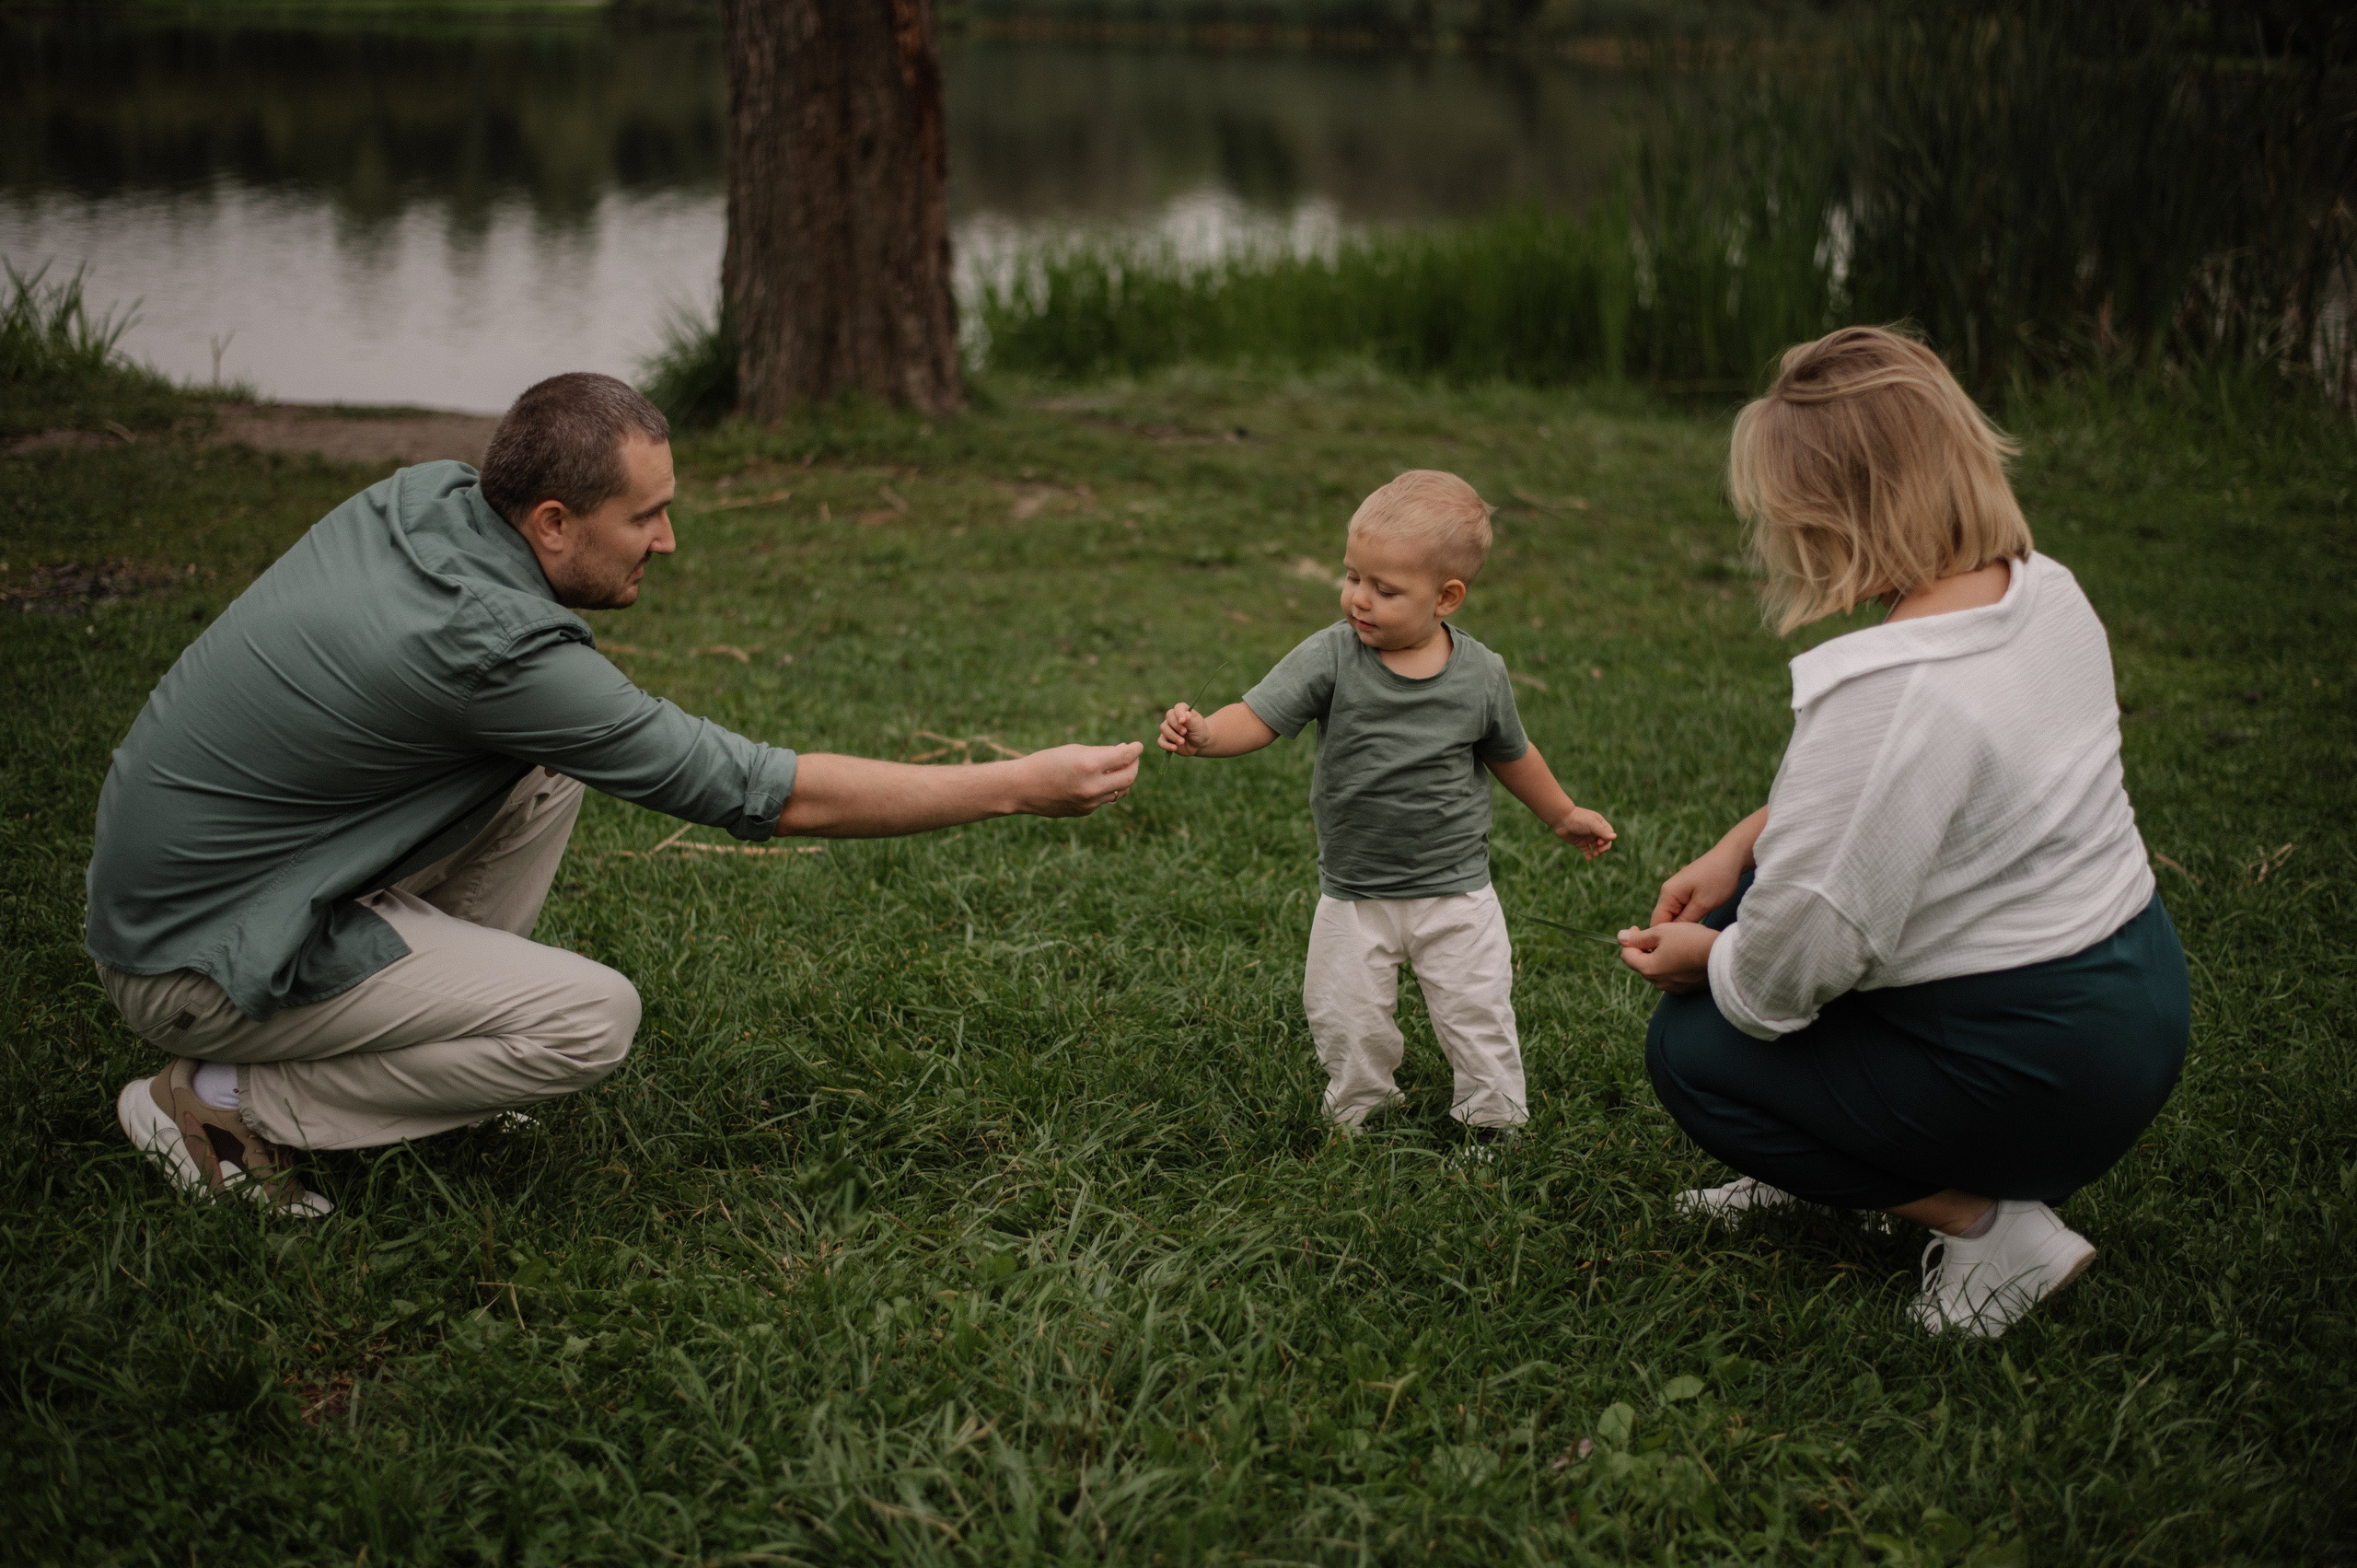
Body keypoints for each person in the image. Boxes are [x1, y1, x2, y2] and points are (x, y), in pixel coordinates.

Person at [92, 372, 1142, 1216]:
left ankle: (436, 1065)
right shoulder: (497, 649)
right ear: (551, 521)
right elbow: (764, 793)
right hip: (193, 957)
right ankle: (212, 1102)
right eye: (647, 515)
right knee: (589, 1021)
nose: (669, 541)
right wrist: (1014, 785)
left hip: (211, 880)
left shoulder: (425, 500)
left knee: (547, 765)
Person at [1616, 327, 2189, 1338]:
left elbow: (1781, 978)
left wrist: (1710, 960)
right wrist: (1737, 848)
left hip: (2046, 1062)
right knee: (1757, 894)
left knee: (1698, 1049)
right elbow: (1913, 803)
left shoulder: (1892, 695)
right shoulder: (2039, 587)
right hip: (2134, 994)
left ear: (1834, 516)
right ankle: (1836, 1158)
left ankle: (1990, 1229)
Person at [1159, 470, 1616, 1145]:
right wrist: (1205, 735)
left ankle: (1493, 1120)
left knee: (1476, 1010)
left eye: (1384, 588)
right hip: (1354, 890)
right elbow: (1258, 716)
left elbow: (1512, 753)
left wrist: (1561, 813)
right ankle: (1361, 1106)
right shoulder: (1333, 656)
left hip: (1455, 891)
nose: (1358, 600)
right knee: (1345, 1016)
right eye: (1352, 577)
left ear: (1447, 597)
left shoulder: (1481, 674)